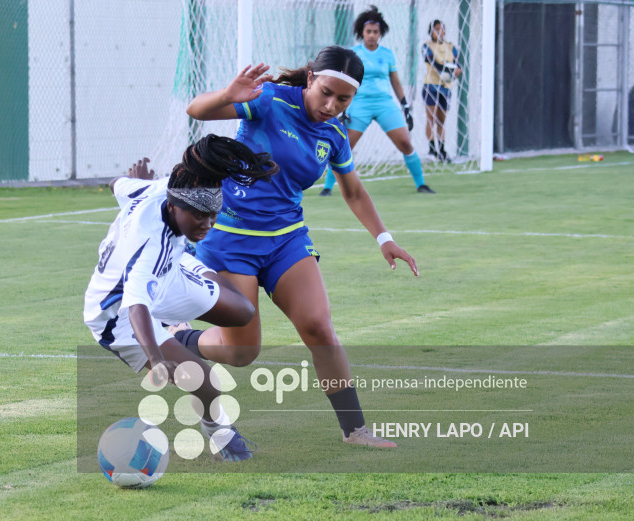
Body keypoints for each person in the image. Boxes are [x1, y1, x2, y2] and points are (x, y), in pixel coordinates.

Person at [181, 46, 420, 448]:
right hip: (231, 241)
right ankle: (180, 341)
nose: (331, 105)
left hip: (287, 240)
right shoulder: (269, 100)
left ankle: (355, 430)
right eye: (325, 92)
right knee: (242, 354)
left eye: (343, 100)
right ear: (310, 78)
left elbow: (354, 191)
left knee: (319, 327)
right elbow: (196, 111)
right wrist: (227, 95)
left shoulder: (336, 135)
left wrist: (385, 238)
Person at [83, 134, 277, 461]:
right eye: (199, 216)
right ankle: (221, 435)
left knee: (242, 311)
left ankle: (178, 334)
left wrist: (136, 179)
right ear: (173, 207)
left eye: (213, 215)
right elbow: (136, 306)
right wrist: (156, 359)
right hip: (119, 317)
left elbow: (118, 184)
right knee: (203, 379)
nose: (207, 224)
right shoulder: (149, 243)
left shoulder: (163, 188)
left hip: (170, 273)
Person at [320, 5, 434, 196]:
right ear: (361, 33)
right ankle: (327, 188)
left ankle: (421, 184)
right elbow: (345, 82)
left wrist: (405, 105)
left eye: (375, 32)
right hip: (360, 104)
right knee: (344, 146)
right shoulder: (354, 54)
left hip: (385, 104)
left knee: (405, 143)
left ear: (380, 34)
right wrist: (343, 108)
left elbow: (395, 82)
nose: (372, 35)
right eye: (368, 31)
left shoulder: (387, 54)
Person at [422, 19, 462, 163]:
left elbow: (458, 63)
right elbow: (432, 62)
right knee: (431, 118)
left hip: (446, 88)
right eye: (435, 29)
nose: (439, 32)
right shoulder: (426, 46)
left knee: (441, 120)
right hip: (431, 86)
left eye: (441, 29)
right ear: (431, 31)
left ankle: (442, 151)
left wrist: (457, 71)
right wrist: (446, 71)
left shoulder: (451, 46)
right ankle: (432, 150)